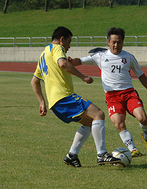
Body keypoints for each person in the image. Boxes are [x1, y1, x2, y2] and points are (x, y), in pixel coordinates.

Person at [31, 26, 120, 167]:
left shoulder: (43, 55)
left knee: (89, 123)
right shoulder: (57, 49)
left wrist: (42, 102)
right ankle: (102, 154)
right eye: (69, 42)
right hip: (64, 97)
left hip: (55, 103)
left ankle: (72, 155)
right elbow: (63, 63)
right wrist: (83, 77)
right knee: (99, 114)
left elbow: (34, 81)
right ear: (62, 40)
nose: (69, 46)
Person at [69, 27, 147, 157]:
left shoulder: (129, 57)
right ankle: (133, 150)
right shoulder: (100, 56)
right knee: (119, 123)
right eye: (113, 42)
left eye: (118, 42)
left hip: (129, 93)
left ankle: (146, 137)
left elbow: (141, 75)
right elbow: (80, 61)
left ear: (122, 42)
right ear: (108, 42)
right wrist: (71, 61)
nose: (116, 45)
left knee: (143, 118)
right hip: (112, 96)